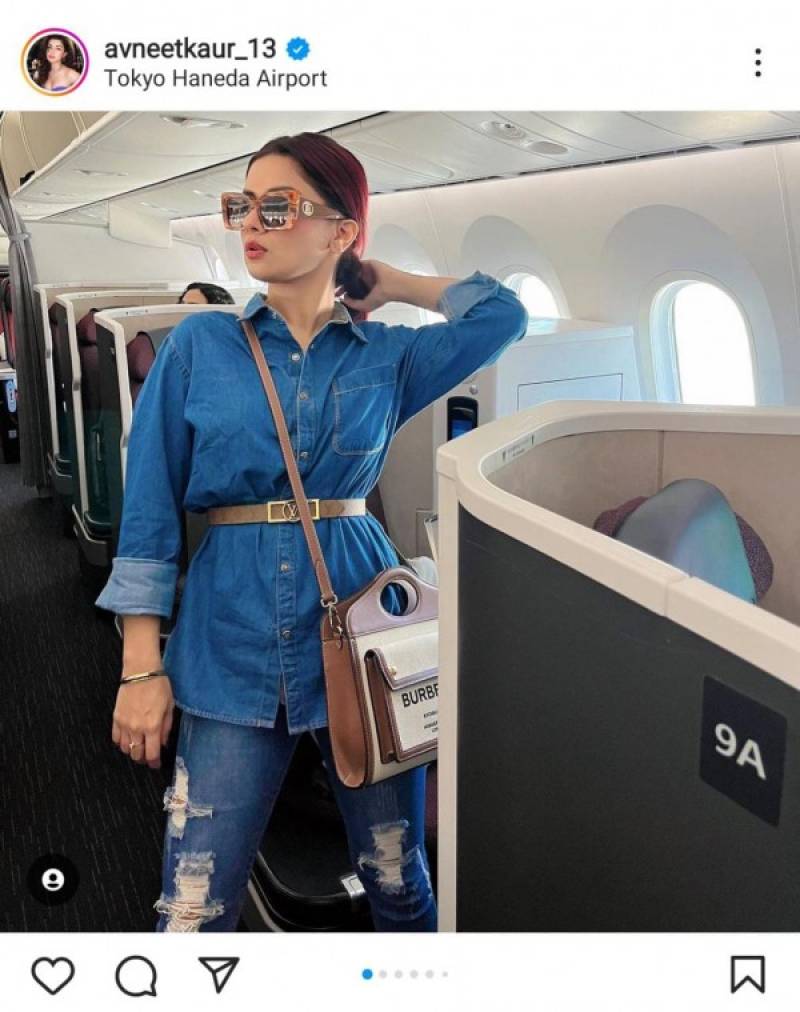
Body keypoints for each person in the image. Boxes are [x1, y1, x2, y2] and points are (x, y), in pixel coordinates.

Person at [94, 131, 528, 932]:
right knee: (193, 902)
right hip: (229, 635)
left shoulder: (386, 357)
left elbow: (504, 315)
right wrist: (140, 668)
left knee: (399, 880)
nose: (250, 223)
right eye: (241, 206)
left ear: (341, 230)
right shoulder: (199, 347)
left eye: (278, 206)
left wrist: (390, 281)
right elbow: (149, 511)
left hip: (365, 629)